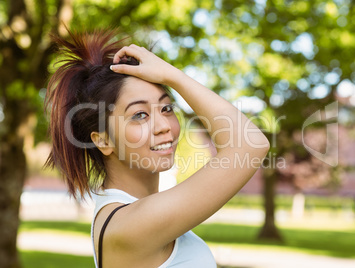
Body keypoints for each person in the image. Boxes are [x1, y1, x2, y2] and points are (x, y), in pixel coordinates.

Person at [44, 28, 270, 268]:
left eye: (166, 108)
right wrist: (174, 76)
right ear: (103, 141)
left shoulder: (131, 214)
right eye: (139, 115)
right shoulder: (132, 225)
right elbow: (250, 146)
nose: (163, 126)